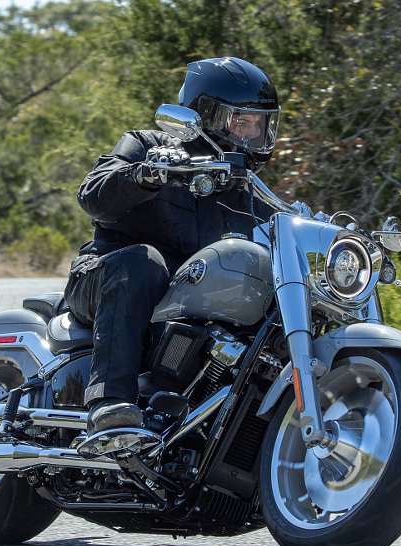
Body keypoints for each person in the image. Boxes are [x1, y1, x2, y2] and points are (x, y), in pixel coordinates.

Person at [64, 56, 281, 438]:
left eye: (257, 126)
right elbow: (92, 196)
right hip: (103, 280)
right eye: (240, 122)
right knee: (143, 262)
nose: (249, 136)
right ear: (205, 115)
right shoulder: (148, 147)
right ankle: (110, 403)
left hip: (176, 307)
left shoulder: (248, 194)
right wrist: (146, 173)